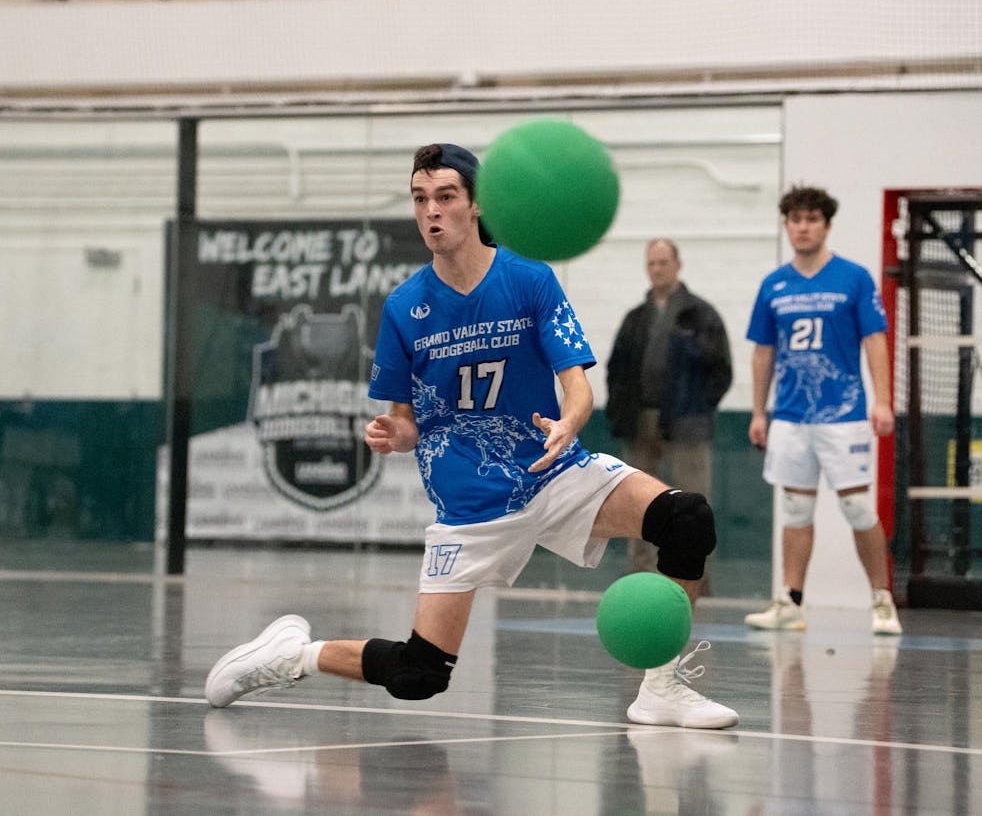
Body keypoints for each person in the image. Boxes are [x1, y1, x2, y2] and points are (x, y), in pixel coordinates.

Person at [204, 142, 739, 729]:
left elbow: (577, 387)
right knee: (419, 675)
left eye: (445, 197)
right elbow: (405, 419)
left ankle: (662, 687)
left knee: (686, 518)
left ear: (476, 204)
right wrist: (397, 433)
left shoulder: (529, 280)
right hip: (469, 505)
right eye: (419, 199)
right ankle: (293, 655)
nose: (430, 211)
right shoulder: (405, 307)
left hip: (553, 472)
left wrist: (569, 423)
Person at [744, 185, 902, 635]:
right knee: (795, 510)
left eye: (812, 219)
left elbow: (874, 340)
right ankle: (792, 601)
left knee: (856, 507)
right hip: (792, 418)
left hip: (844, 416)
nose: (803, 227)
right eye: (795, 219)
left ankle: (882, 601)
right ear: (787, 226)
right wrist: (760, 412)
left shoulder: (853, 278)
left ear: (827, 225)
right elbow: (763, 352)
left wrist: (883, 401)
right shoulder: (774, 284)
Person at [606, 238, 732, 573]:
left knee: (691, 505)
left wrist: (698, 407)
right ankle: (640, 574)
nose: (658, 269)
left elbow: (721, 369)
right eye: (652, 263)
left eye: (664, 262)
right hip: (641, 420)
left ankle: (693, 581)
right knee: (639, 502)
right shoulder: (636, 318)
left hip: (686, 423)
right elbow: (616, 369)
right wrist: (622, 412)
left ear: (678, 265)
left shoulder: (700, 315)